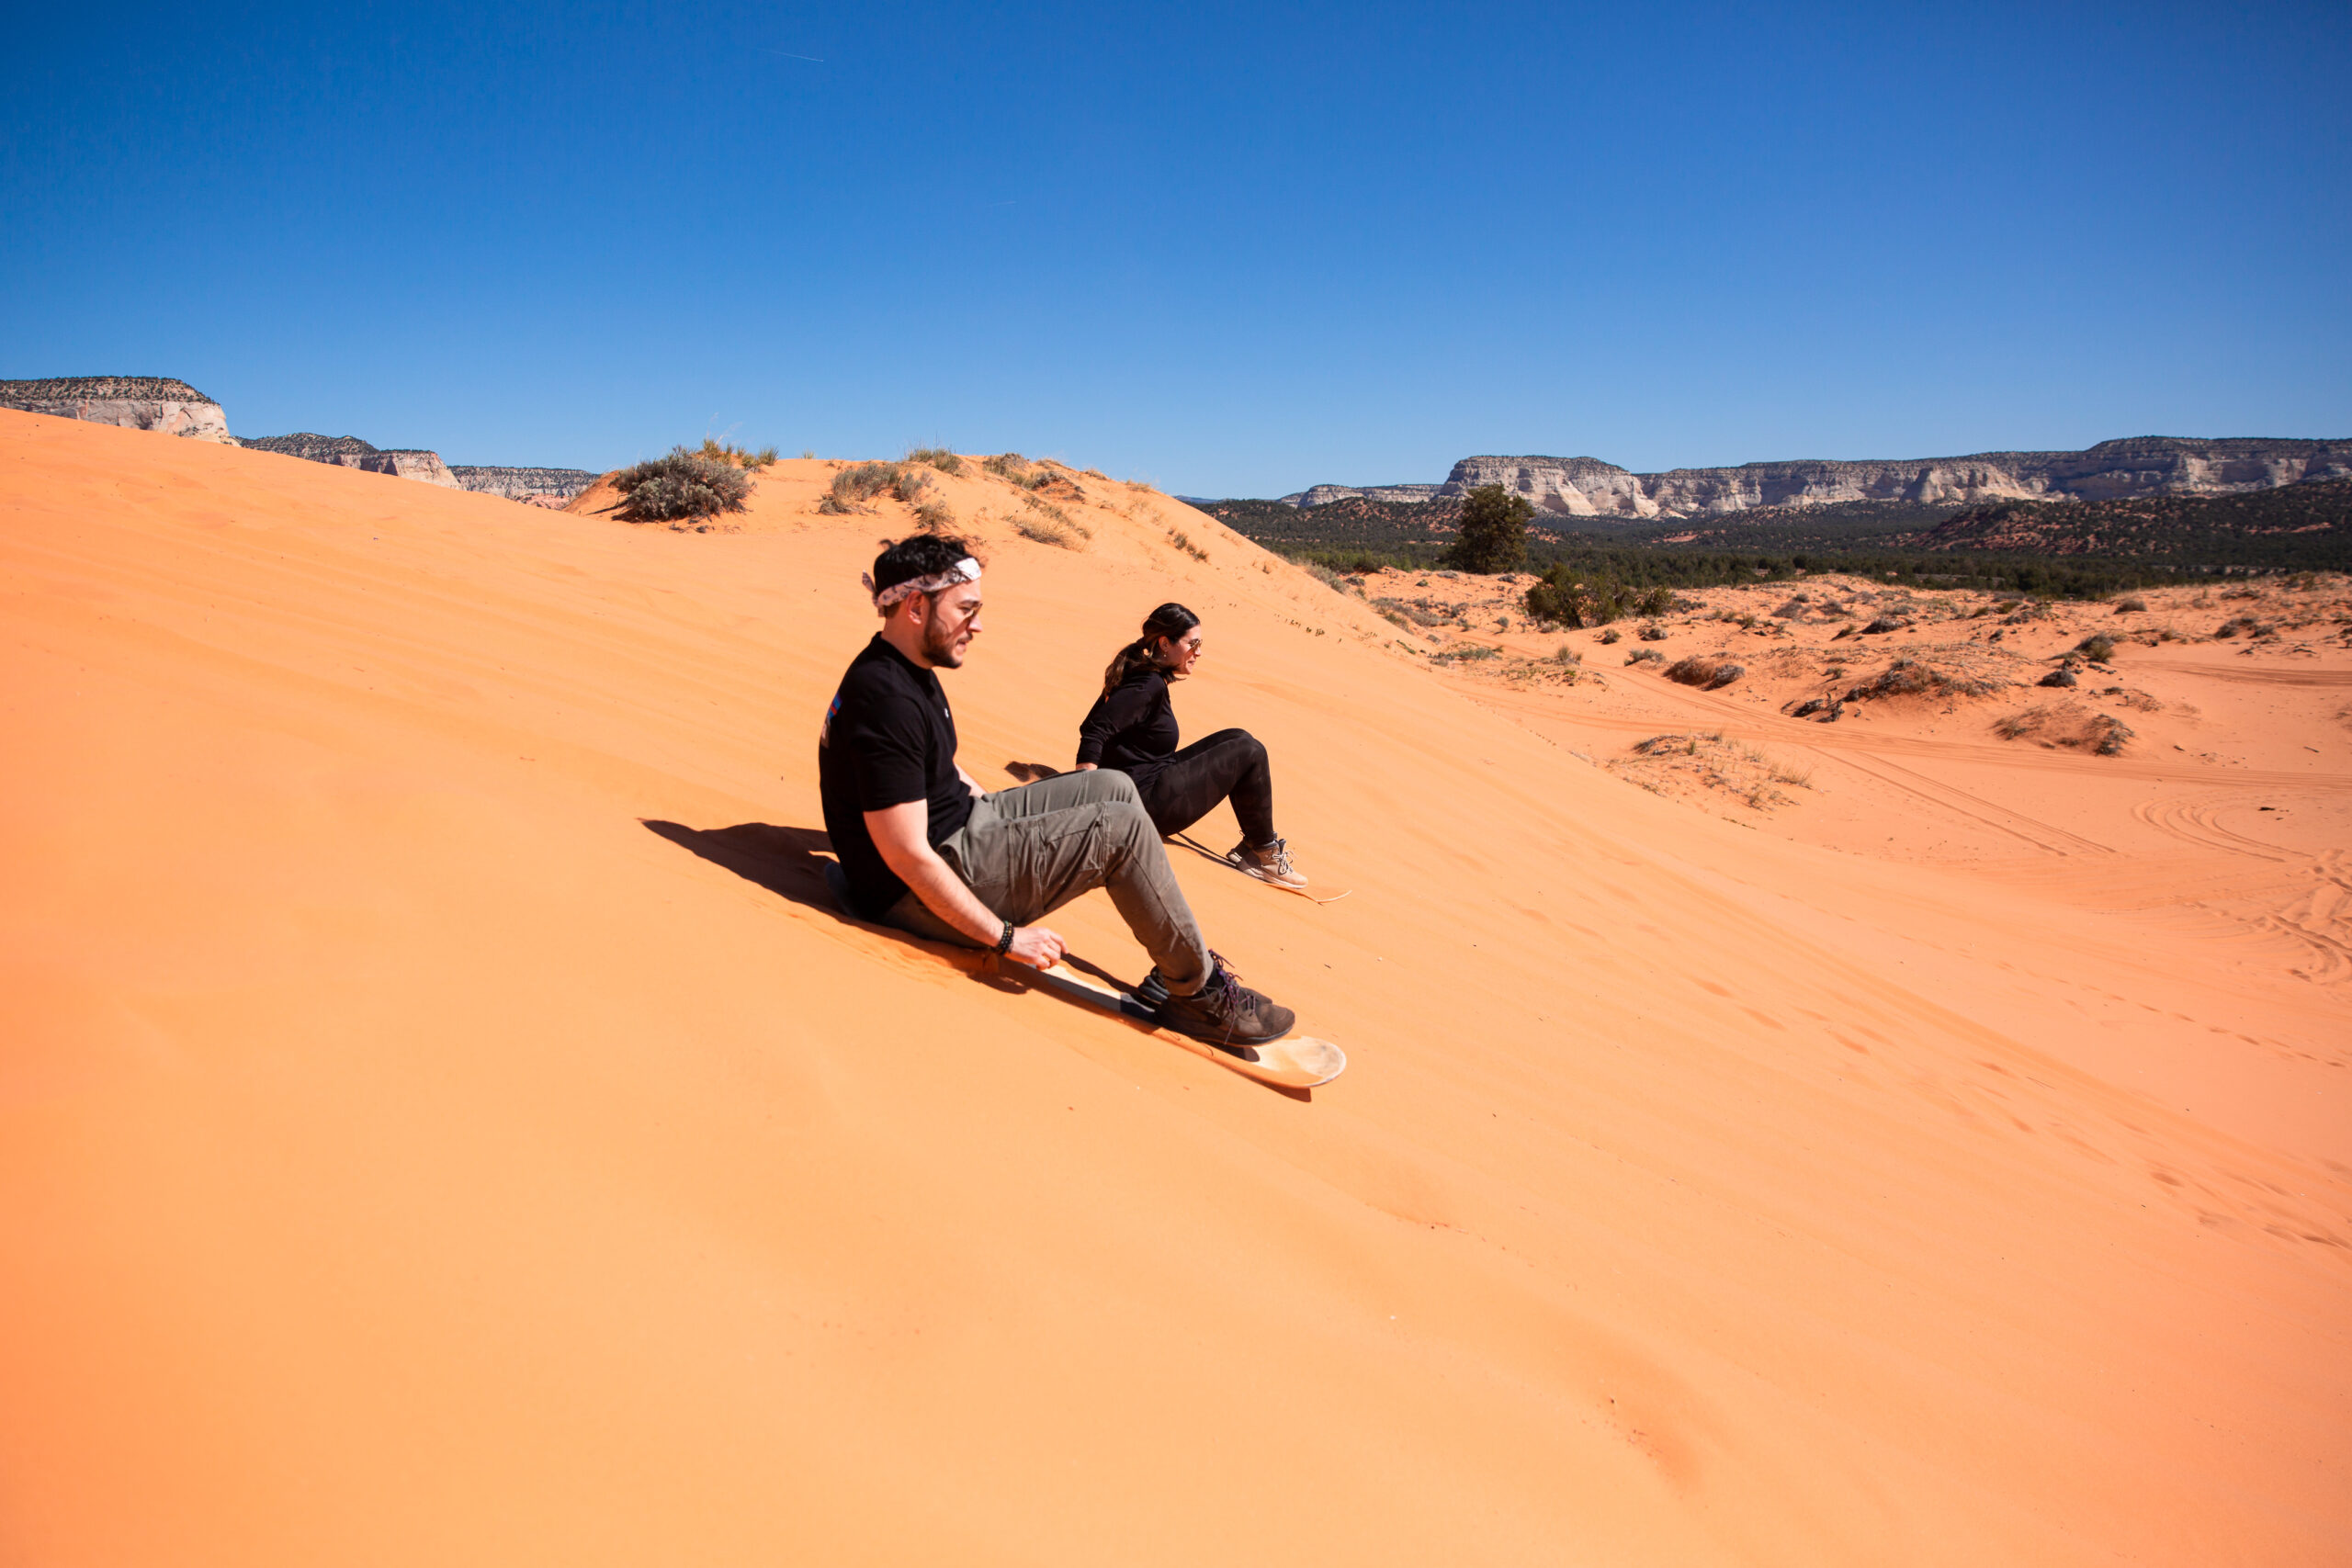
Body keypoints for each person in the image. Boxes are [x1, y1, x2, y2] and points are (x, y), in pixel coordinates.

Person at [818, 536, 1295, 1050]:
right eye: (966, 609)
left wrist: (1001, 813)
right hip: (921, 893)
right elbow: (907, 854)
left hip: (960, 837)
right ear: (914, 606)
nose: (977, 625)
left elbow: (941, 769)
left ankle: (1177, 957)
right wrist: (1006, 938)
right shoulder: (885, 698)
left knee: (1108, 786)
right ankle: (1196, 992)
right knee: (1117, 829)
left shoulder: (906, 670)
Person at [1074, 603, 1307, 888]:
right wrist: (1084, 793)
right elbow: (1095, 729)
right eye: (1192, 643)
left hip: (1148, 785)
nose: (1198, 652)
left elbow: (1096, 723)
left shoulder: (1143, 675)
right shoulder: (1147, 685)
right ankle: (1264, 853)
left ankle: (1255, 848)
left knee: (1240, 738)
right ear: (1164, 643)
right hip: (1145, 806)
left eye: (1200, 643)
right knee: (1250, 751)